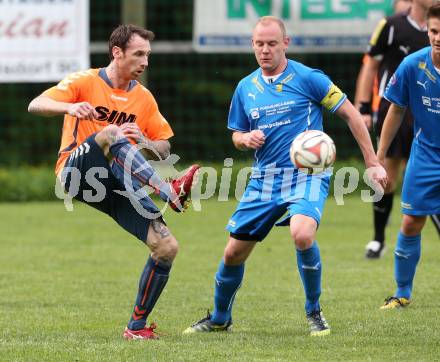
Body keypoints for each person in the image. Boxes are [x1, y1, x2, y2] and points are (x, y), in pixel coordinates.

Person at [183, 16, 387, 337]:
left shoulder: (309, 78)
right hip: (264, 180)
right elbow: (236, 134)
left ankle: (314, 311)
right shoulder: (245, 88)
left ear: (285, 44)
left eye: (272, 44)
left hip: (308, 174)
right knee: (233, 253)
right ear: (252, 45)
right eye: (259, 44)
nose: (265, 50)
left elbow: (351, 115)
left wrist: (372, 161)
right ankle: (220, 318)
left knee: (302, 234)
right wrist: (244, 139)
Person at [27, 24, 200, 340]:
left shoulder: (143, 97)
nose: (145, 61)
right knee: (111, 133)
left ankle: (136, 327)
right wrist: (69, 106)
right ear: (117, 53)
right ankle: (169, 189)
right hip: (76, 173)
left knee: (166, 246)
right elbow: (36, 103)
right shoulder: (85, 81)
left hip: (118, 180)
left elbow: (164, 146)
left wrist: (146, 141)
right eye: (139, 54)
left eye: (147, 54)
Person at [355, 0, 440, 259]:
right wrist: (364, 107)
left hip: (428, 111)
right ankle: (378, 239)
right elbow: (370, 64)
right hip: (397, 108)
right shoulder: (391, 25)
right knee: (387, 178)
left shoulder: (437, 21)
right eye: (433, 32)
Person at [378, 3, 440, 309]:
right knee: (411, 223)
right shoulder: (412, 65)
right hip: (426, 156)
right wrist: (379, 154)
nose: (438, 37)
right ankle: (402, 293)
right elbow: (396, 109)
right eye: (434, 31)